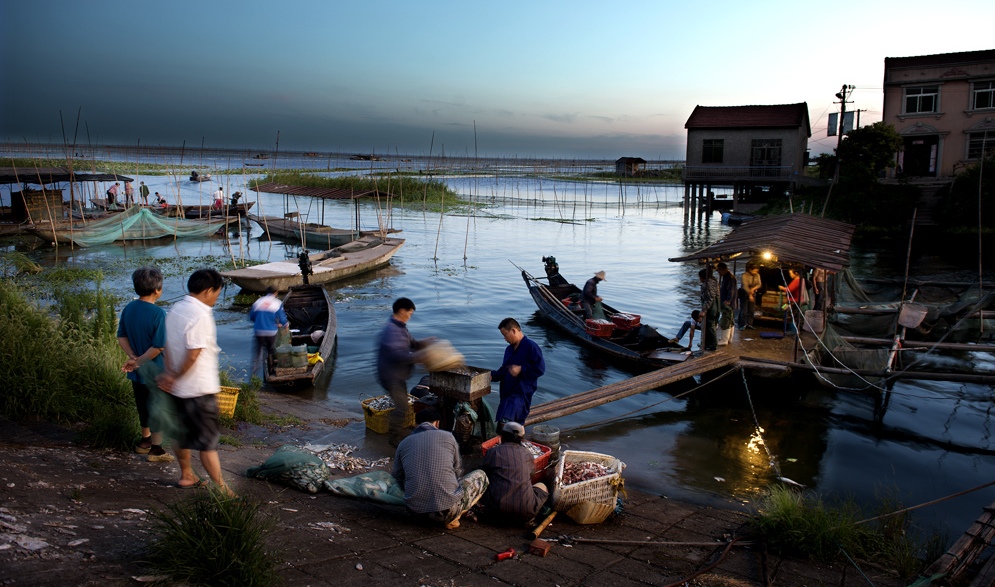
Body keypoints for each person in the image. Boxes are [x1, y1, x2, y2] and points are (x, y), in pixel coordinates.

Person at [156, 268, 233, 494]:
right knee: (208, 443)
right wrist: (174, 375)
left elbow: (169, 346)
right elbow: (193, 353)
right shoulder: (200, 315)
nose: (216, 299)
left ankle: (187, 475)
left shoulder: (177, 308)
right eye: (217, 294)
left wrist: (170, 374)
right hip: (198, 387)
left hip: (178, 389)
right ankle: (223, 491)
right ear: (208, 291)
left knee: (181, 434)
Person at [392, 407, 489, 530]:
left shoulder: (403, 443)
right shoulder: (448, 437)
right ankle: (453, 518)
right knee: (481, 475)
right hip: (448, 511)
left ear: (416, 424)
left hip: (415, 513)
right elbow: (457, 470)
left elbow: (398, 475)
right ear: (437, 423)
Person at [117, 266, 174, 463]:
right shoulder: (159, 314)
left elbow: (121, 336)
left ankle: (145, 442)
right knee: (157, 407)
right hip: (155, 371)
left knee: (142, 405)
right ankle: (157, 450)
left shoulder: (129, 308)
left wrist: (133, 357)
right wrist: (139, 361)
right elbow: (158, 347)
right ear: (158, 290)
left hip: (137, 373)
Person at [376, 297, 431, 446]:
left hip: (398, 375)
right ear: (402, 311)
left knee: (403, 405)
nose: (410, 316)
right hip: (390, 376)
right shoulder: (392, 330)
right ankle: (394, 440)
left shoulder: (400, 327)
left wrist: (426, 342)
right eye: (410, 313)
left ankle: (397, 433)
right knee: (402, 407)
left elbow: (412, 344)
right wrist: (420, 357)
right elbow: (397, 355)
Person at [481, 421, 548, 526]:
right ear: (521, 439)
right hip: (525, 512)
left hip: (495, 510)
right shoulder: (527, 454)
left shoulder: (492, 452)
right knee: (542, 486)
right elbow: (531, 476)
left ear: (502, 436)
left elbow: (484, 473)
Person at [490, 318, 545, 425]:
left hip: (520, 395)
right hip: (506, 394)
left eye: (505, 335)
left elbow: (540, 369)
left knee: (506, 423)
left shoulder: (531, 347)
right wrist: (493, 376)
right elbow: (504, 369)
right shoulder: (509, 350)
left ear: (514, 330)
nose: (504, 339)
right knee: (507, 425)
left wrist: (521, 369)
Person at [249, 286, 288, 380]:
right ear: (275, 293)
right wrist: (284, 324)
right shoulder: (277, 303)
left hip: (258, 331)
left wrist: (259, 323)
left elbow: (251, 316)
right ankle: (271, 370)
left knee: (257, 351)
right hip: (271, 331)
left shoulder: (258, 302)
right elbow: (282, 318)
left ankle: (253, 373)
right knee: (270, 350)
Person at [716, 262, 737, 346]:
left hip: (728, 302)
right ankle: (729, 338)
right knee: (730, 320)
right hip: (731, 302)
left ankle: (724, 339)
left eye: (719, 271)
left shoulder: (730, 278)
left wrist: (728, 300)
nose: (719, 273)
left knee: (726, 320)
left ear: (724, 270)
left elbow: (731, 290)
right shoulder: (727, 277)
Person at [699, 268, 719, 351]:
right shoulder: (714, 281)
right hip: (716, 305)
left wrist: (704, 310)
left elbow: (709, 299)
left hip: (711, 307)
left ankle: (713, 345)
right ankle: (708, 343)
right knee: (710, 325)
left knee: (710, 326)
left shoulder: (707, 284)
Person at [738, 264, 762, 330]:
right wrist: (750, 295)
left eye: (757, 271)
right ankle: (742, 324)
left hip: (753, 293)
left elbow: (759, 284)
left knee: (751, 310)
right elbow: (745, 286)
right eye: (754, 271)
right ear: (750, 269)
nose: (756, 272)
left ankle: (749, 323)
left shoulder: (757, 275)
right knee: (744, 310)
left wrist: (753, 289)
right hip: (744, 294)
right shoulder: (744, 275)